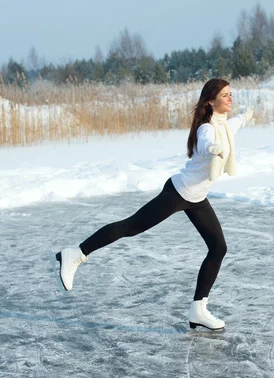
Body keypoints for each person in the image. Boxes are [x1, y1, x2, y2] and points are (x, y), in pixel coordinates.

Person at [55, 78, 254, 331]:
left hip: (197, 198)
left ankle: (198, 309)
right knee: (131, 227)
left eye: (230, 94)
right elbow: (206, 144)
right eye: (224, 95)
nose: (230, 98)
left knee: (218, 248)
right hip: (179, 192)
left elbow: (234, 125)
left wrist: (246, 117)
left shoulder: (224, 126)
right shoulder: (208, 129)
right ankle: (76, 253)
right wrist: (214, 148)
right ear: (210, 101)